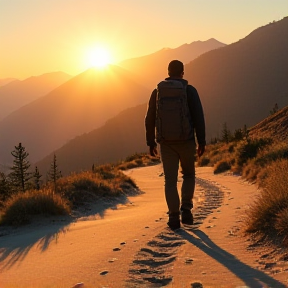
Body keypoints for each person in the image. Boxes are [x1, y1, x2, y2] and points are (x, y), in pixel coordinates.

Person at [145, 60, 206, 230]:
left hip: (166, 143)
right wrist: (202, 141)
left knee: (170, 181)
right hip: (186, 141)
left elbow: (149, 119)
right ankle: (186, 210)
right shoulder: (189, 91)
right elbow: (198, 117)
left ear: (168, 72)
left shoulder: (157, 92)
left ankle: (173, 217)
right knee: (188, 175)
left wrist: (151, 142)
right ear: (182, 73)